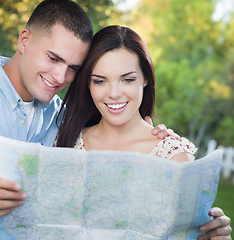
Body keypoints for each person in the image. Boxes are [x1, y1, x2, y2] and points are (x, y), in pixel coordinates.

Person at [0, 0, 226, 239]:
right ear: (24, 40)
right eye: (53, 58)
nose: (59, 76)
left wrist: (161, 141)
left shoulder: (59, 120)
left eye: (73, 68)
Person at [56, 25, 232, 239]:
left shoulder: (174, 156)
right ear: (88, 84)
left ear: (145, 78)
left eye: (128, 79)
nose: (114, 93)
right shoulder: (66, 142)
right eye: (99, 81)